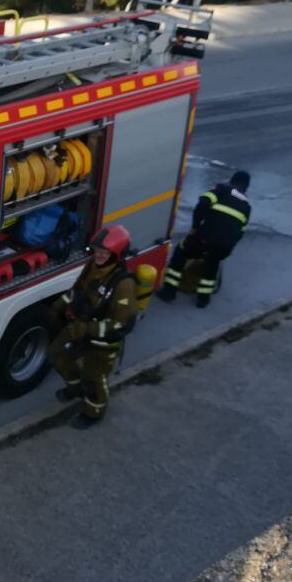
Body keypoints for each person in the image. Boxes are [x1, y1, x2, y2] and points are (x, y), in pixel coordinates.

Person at [47, 225, 138, 429]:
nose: (99, 255)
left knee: (94, 378)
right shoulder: (92, 267)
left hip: (102, 341)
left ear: (117, 255)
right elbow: (77, 292)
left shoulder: (123, 284)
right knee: (56, 355)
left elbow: (122, 323)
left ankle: (94, 412)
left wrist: (88, 330)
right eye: (97, 250)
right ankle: (76, 389)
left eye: (105, 252)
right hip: (79, 327)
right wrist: (59, 305)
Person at [157, 171, 252, 308]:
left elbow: (203, 203)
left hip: (204, 239)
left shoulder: (221, 189)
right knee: (212, 263)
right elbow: (240, 233)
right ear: (246, 187)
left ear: (232, 180)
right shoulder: (247, 207)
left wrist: (195, 227)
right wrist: (226, 247)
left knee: (181, 252)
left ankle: (169, 291)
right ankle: (203, 299)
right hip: (225, 247)